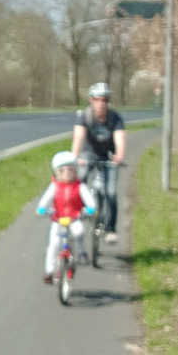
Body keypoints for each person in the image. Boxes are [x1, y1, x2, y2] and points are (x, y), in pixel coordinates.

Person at [70, 81, 126, 244]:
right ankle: (77, 214)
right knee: (80, 179)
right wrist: (74, 158)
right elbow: (78, 138)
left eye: (104, 100)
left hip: (109, 156)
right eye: (97, 100)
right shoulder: (85, 116)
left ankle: (111, 229)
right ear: (91, 100)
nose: (101, 103)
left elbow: (119, 139)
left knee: (111, 192)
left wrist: (119, 156)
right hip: (89, 154)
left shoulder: (115, 118)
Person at [36, 151, 97, 283]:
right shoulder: (54, 186)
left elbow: (89, 199)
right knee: (53, 244)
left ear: (75, 171)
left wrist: (90, 208)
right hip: (58, 219)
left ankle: (80, 252)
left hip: (74, 217)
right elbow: (45, 199)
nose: (67, 173)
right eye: (62, 171)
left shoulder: (79, 186)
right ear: (57, 173)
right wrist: (42, 209)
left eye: (70, 170)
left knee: (78, 231)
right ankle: (49, 271)